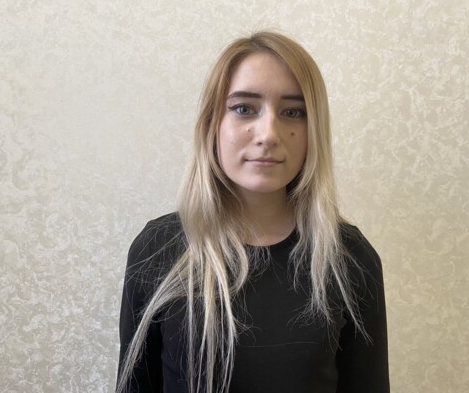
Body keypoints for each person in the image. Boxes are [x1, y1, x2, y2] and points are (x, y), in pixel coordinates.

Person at [117, 31, 389, 393]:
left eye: (293, 112)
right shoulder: (158, 247)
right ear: (212, 123)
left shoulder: (350, 258)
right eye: (244, 108)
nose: (268, 134)